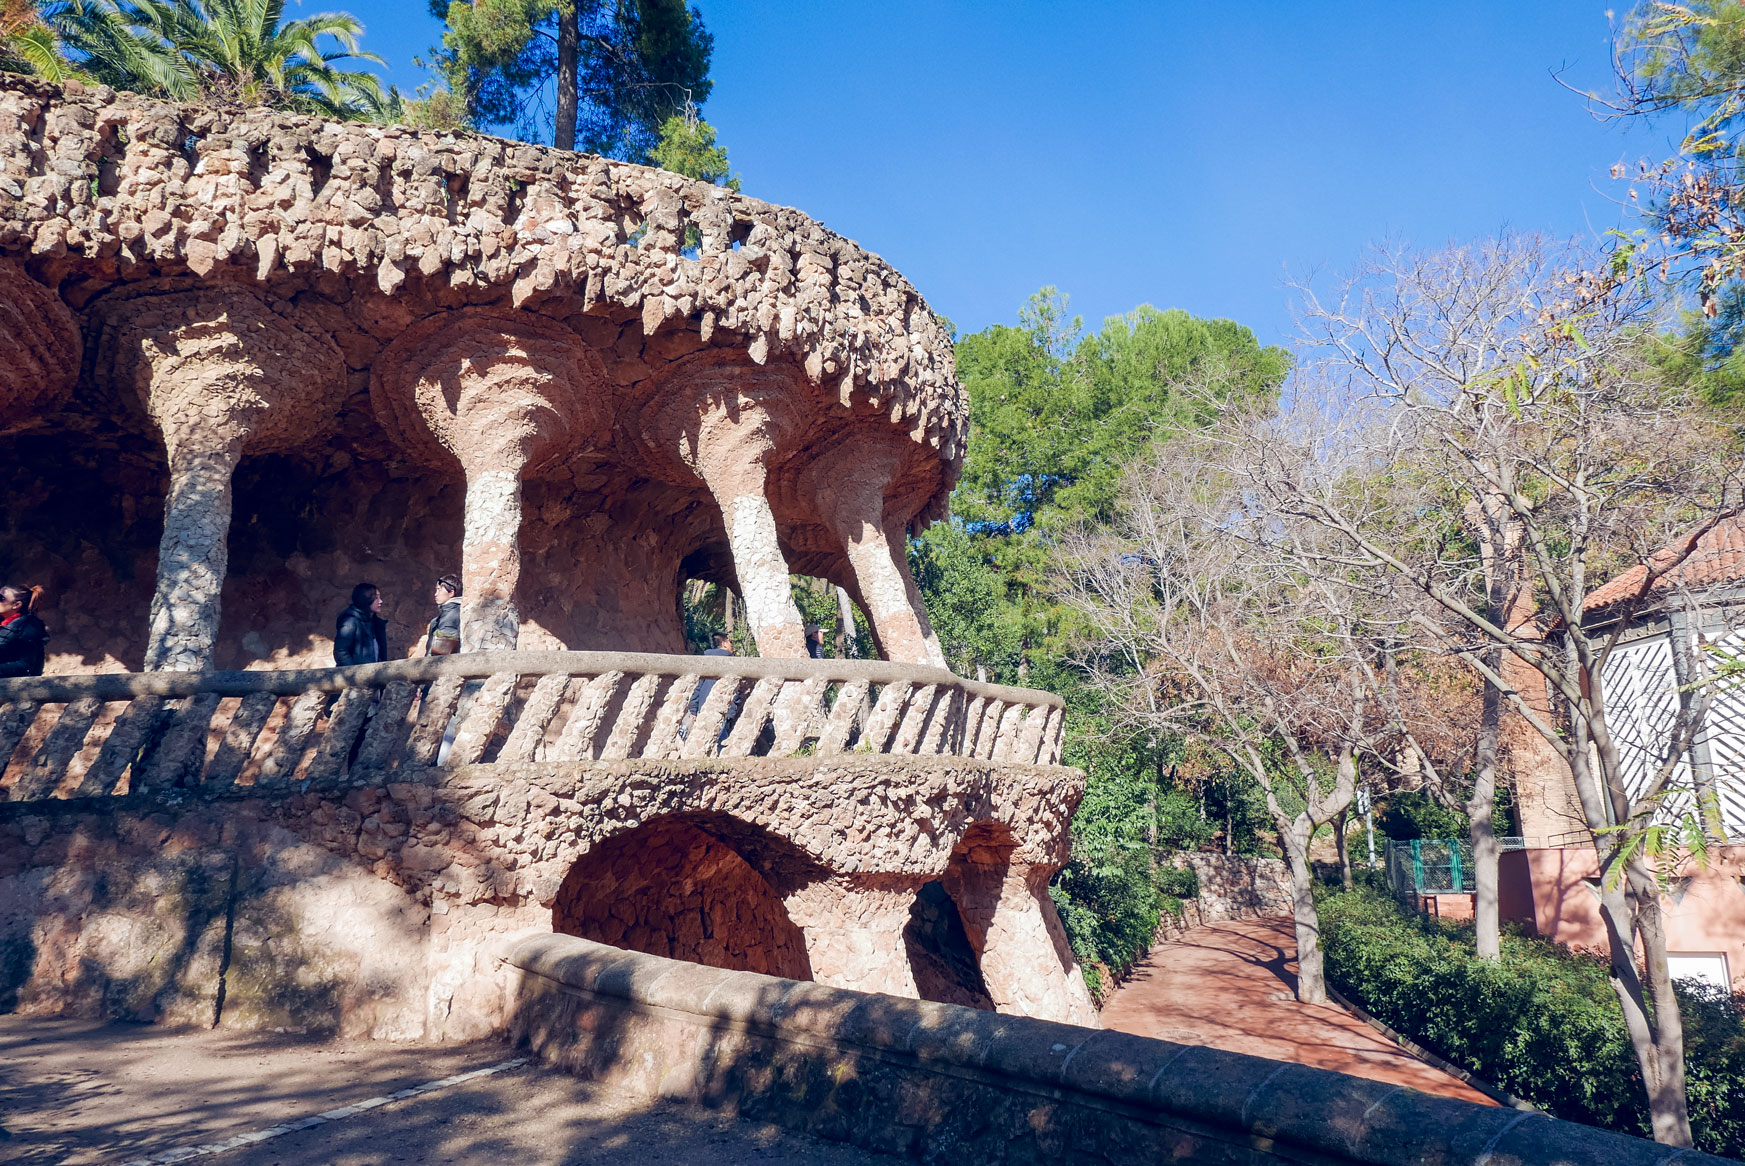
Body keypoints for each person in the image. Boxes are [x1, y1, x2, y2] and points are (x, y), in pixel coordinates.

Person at [681, 632, 738, 743]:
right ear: (724, 644)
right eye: (730, 642)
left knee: (713, 738)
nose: (732, 645)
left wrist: (693, 709)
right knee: (714, 740)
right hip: (721, 707)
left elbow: (699, 685)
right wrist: (733, 709)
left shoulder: (705, 660)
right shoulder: (732, 662)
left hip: (702, 706)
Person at [0, 584, 48, 677]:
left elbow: (26, 666)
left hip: (16, 689)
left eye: (1, 598)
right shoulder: (5, 623)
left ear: (16, 605)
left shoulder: (29, 627)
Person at [334, 583, 387, 666]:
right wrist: (353, 674)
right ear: (366, 599)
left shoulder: (374, 622)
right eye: (376, 598)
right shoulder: (350, 621)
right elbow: (340, 651)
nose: (381, 601)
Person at [424, 575, 462, 656]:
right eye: (436, 590)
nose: (435, 594)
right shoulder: (436, 621)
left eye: (439, 590)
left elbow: (441, 655)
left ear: (451, 593)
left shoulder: (452, 617)